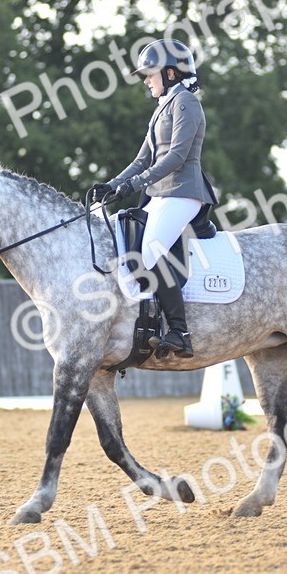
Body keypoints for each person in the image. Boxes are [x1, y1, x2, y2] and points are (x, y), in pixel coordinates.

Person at [92, 38, 216, 359]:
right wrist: (112, 186)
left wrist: (133, 186)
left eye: (150, 74)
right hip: (161, 193)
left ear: (170, 73)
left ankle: (180, 332)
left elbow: (176, 156)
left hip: (183, 190)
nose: (146, 80)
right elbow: (142, 160)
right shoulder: (163, 107)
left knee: (151, 248)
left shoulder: (186, 103)